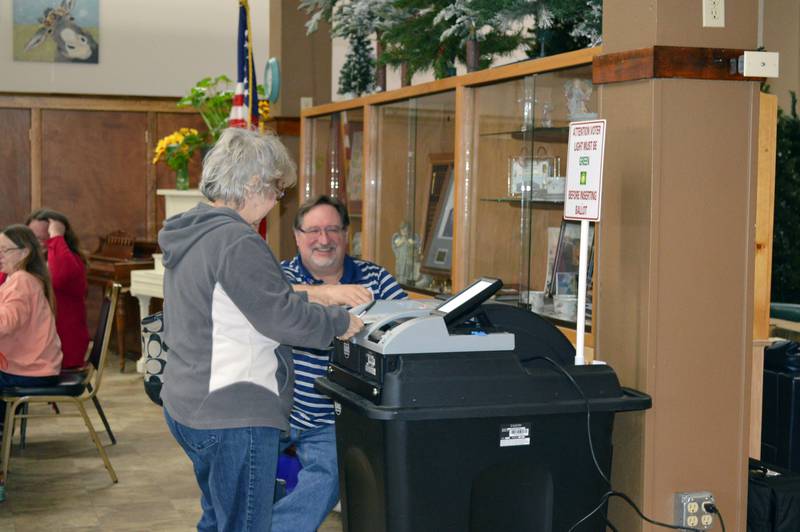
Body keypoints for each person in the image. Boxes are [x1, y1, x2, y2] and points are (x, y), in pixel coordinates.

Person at [157, 128, 363, 532]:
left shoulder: (194, 231)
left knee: (218, 519)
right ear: (254, 183)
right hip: (233, 411)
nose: (276, 201)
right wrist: (340, 323)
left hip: (190, 401)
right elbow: (280, 318)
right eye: (276, 190)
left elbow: (246, 304)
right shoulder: (236, 240)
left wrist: (316, 298)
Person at [273, 195, 406, 532]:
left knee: (329, 474)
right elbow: (270, 298)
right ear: (297, 236)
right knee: (237, 467)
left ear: (347, 234)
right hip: (276, 409)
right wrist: (328, 296)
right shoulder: (281, 276)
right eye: (314, 230)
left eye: (333, 229)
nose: (324, 239)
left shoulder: (375, 279)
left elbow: (410, 325)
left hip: (336, 416)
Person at [0, 225, 63, 422]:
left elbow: (5, 324)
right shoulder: (20, 278)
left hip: (32, 369)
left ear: (24, 252)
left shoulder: (21, 280)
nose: (0, 255)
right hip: (34, 365)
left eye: (4, 250)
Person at [25, 209, 90, 369]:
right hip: (39, 345)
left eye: (44, 237)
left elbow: (59, 277)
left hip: (60, 351)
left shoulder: (71, 262)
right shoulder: (30, 263)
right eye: (32, 237)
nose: (36, 243)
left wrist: (56, 236)